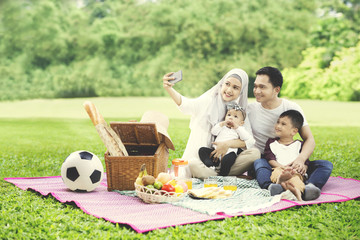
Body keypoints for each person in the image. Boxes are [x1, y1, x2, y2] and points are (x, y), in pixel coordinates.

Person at [248, 66, 333, 201]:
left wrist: (300, 160)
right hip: (269, 162)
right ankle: (271, 186)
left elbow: (309, 139)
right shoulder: (249, 110)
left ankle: (310, 187)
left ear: (276, 90)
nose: (257, 91)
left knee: (325, 165)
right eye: (255, 86)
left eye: (262, 87)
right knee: (259, 162)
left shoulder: (291, 108)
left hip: (293, 162)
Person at [162, 69, 260, 179]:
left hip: (227, 160)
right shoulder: (208, 100)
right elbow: (186, 105)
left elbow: (248, 141)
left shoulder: (238, 112)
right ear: (222, 84)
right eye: (227, 84)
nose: (229, 90)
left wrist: (226, 145)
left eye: (235, 87)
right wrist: (169, 88)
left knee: (255, 153)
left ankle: (218, 176)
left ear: (241, 92)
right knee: (192, 164)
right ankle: (224, 177)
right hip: (204, 161)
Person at [198, 102, 255, 176]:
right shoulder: (223, 127)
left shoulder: (240, 129)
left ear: (241, 123)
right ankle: (210, 165)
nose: (231, 117)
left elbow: (246, 138)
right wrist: (221, 124)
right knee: (202, 150)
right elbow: (214, 132)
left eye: (235, 116)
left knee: (228, 160)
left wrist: (237, 127)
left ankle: (223, 174)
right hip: (215, 152)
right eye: (229, 115)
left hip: (229, 153)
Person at [264, 110, 308, 201]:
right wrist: (283, 168)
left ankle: (297, 194)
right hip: (279, 169)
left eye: (283, 124)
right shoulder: (272, 143)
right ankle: (280, 181)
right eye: (278, 122)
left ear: (294, 131)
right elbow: (270, 158)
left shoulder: (299, 145)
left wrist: (300, 168)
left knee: (297, 181)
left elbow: (305, 161)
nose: (278, 126)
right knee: (276, 173)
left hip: (294, 172)